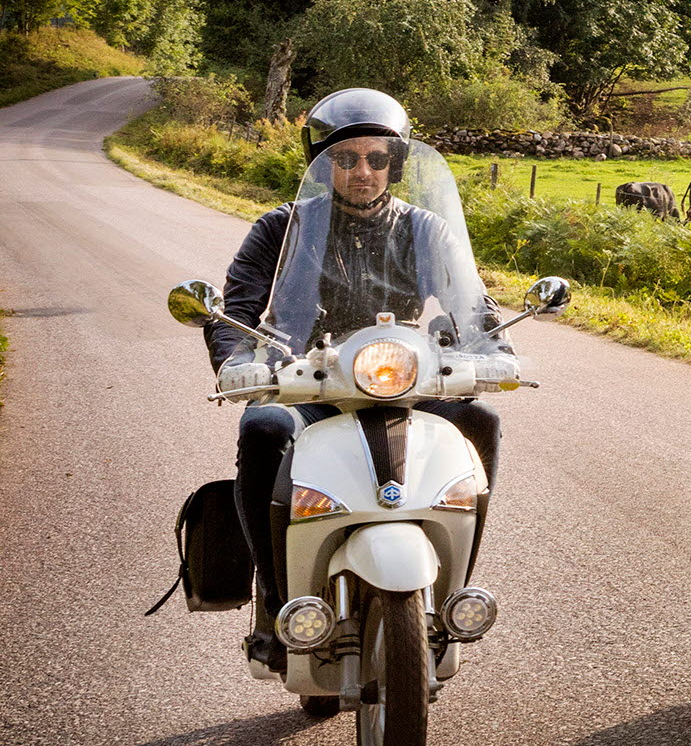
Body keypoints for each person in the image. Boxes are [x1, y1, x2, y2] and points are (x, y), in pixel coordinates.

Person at [213, 88, 503, 669]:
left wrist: (495, 347)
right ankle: (275, 601)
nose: (362, 171)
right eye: (346, 159)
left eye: (376, 158)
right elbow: (238, 307)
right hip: (303, 379)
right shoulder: (280, 228)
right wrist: (238, 360)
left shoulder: (425, 228)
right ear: (323, 165)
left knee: (479, 420)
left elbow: (472, 303)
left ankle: (451, 592)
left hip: (399, 379)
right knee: (264, 430)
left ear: (395, 163)